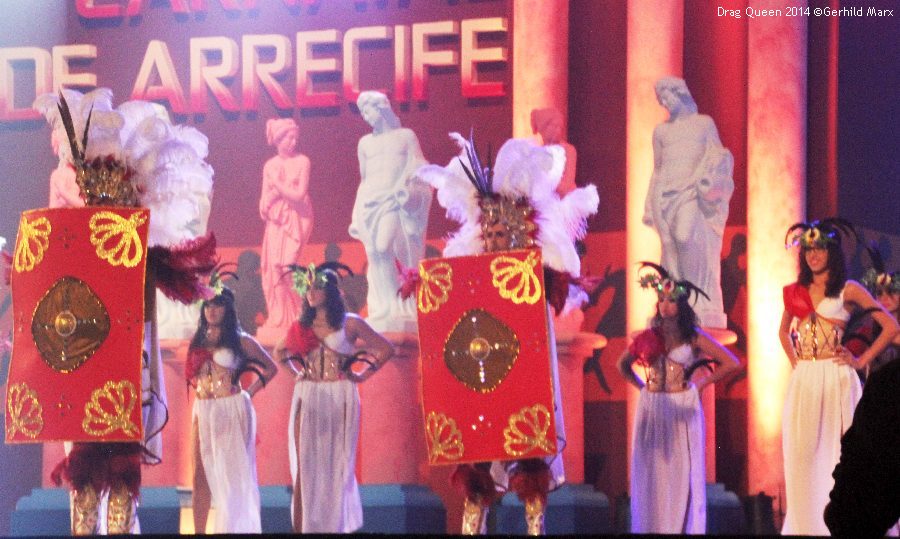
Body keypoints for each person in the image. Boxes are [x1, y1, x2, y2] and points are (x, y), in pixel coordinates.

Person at [418, 133, 599, 534]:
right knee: (476, 467)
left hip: (523, 382)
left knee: (530, 462)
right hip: (482, 382)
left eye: (501, 233)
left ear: (516, 234)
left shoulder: (534, 277)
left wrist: (553, 282)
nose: (494, 239)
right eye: (489, 233)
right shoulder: (469, 281)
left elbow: (552, 300)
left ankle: (535, 529)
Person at [779, 219, 899, 535]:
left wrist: (860, 361)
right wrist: (797, 363)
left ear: (831, 252)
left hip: (836, 378)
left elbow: (890, 327)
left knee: (835, 455)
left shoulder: (849, 290)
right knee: (802, 455)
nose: (813, 255)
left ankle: (834, 526)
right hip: (805, 379)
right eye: (808, 249)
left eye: (819, 248)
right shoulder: (796, 291)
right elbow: (783, 331)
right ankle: (805, 527)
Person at [617, 262, 741, 534]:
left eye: (671, 300)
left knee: (680, 473)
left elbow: (731, 362)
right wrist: (642, 388)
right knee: (652, 473)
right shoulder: (649, 336)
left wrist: (702, 383)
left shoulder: (693, 337)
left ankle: (680, 527)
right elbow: (622, 365)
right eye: (661, 300)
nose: (665, 305)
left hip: (682, 408)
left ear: (681, 305)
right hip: (652, 408)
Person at [273, 262, 394, 533]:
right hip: (308, 394)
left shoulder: (350, 323)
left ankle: (334, 527)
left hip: (340, 394)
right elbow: (279, 353)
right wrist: (296, 374)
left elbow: (386, 349)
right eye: (308, 288)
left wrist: (362, 375)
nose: (311, 293)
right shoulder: (301, 325)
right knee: (304, 466)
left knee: (336, 466)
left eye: (317, 287)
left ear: (330, 291)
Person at [186, 280, 277, 534]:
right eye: (207, 306)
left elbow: (270, 368)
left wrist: (249, 392)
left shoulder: (241, 340)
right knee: (199, 475)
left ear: (227, 309)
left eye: (217, 305)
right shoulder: (198, 340)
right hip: (203, 409)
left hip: (230, 408)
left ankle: (233, 529)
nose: (211, 310)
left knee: (232, 474)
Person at [642, 77, 734, 328]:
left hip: (691, 191)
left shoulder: (704, 124)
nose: (665, 103)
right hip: (665, 195)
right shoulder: (661, 132)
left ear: (680, 93)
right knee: (669, 246)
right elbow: (658, 170)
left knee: (684, 238)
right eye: (661, 100)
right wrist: (650, 203)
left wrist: (712, 183)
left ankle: (695, 296)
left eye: (667, 97)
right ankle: (675, 301)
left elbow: (719, 159)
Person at [350, 91, 432, 331]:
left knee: (384, 246)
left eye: (368, 110)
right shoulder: (365, 143)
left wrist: (407, 184)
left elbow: (419, 166)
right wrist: (357, 212)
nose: (365, 116)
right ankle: (384, 306)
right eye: (362, 112)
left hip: (393, 200)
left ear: (381, 108)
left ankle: (399, 302)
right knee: (375, 253)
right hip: (370, 202)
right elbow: (365, 179)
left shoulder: (405, 136)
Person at [259, 118, 313, 332]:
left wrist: (278, 186)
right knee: (275, 268)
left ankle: (302, 313)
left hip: (298, 218)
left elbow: (299, 195)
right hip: (277, 220)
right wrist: (269, 200)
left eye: (295, 138)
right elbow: (263, 203)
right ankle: (280, 317)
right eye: (289, 138)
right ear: (278, 140)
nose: (293, 142)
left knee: (289, 267)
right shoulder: (269, 166)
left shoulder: (303, 161)